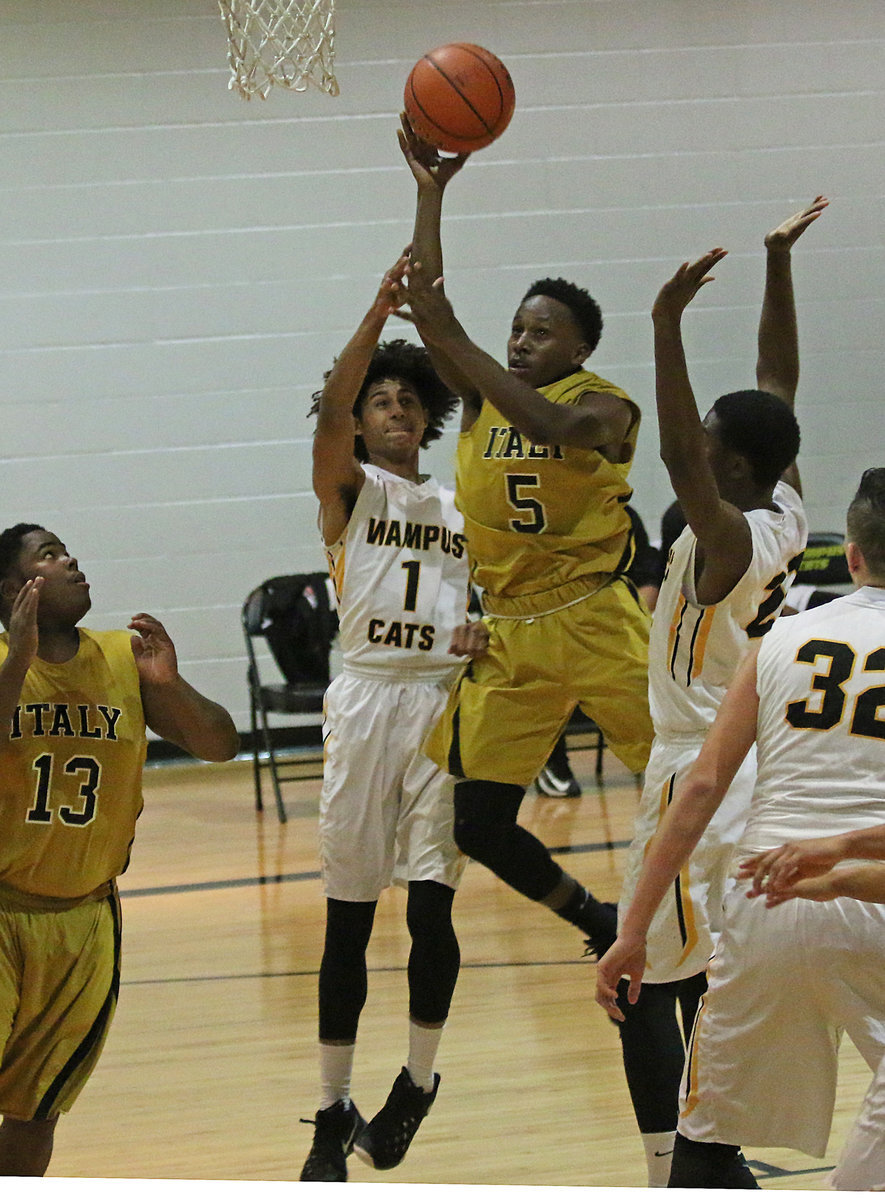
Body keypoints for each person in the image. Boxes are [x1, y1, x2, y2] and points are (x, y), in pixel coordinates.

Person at [397, 115, 654, 958]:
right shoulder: (480, 396)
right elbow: (427, 303)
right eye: (515, 328)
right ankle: (597, 921)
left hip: (596, 618)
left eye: (540, 332)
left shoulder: (605, 404)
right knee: (477, 822)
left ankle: (716, 922)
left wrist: (457, 340)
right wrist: (429, 195)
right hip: (509, 631)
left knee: (685, 780)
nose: (519, 340)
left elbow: (553, 426)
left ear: (580, 346)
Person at [610, 198, 825, 1185]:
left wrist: (664, 325)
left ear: (728, 465)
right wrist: (778, 264)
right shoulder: (786, 504)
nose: (694, 440)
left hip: (694, 766)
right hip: (748, 766)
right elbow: (778, 383)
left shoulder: (729, 537)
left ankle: (679, 1164)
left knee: (643, 974)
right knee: (703, 967)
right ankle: (715, 1152)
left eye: (708, 436)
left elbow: (673, 453)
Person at [596, 466, 885, 1189]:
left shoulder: (782, 637)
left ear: (852, 556)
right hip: (873, 894)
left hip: (768, 898)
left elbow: (699, 787)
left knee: (701, 1141)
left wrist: (632, 931)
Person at [299, 253, 487, 1183]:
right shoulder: (349, 490)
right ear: (361, 420)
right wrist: (376, 314)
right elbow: (331, 411)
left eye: (409, 398)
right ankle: (332, 1106)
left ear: (427, 416)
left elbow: (492, 600)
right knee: (348, 919)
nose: (395, 408)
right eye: (380, 400)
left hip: (443, 709)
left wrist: (487, 633)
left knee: (431, 908)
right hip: (368, 699)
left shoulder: (461, 504)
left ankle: (415, 1082)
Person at [0, 523, 239, 1176]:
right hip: (2, 907)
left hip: (85, 919)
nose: (70, 559)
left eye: (66, 549)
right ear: (14, 589)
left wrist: (170, 685)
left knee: (36, 1108)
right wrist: (17, 661)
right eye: (49, 554)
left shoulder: (120, 657)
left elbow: (221, 744)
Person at [536, 504, 662, 800]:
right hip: (552, 628)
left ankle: (662, 762)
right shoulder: (543, 519)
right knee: (542, 661)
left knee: (650, 670)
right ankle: (551, 761)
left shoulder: (622, 514)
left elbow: (648, 584)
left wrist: (621, 622)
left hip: (614, 628)